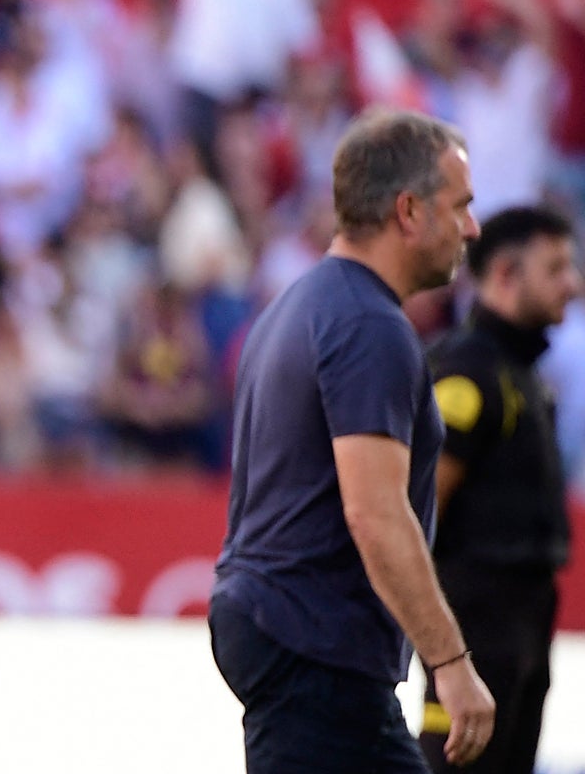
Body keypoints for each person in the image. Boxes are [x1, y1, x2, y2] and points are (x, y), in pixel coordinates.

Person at [208, 107, 496, 773]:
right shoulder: (369, 325)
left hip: (282, 627)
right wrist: (450, 662)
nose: (471, 228)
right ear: (408, 211)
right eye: (460, 206)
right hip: (314, 640)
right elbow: (374, 512)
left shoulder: (297, 304)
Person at [419, 205, 582, 773]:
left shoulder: (522, 373)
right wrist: (443, 651)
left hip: (522, 621)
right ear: (507, 275)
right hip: (474, 626)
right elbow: (420, 510)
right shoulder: (468, 371)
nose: (573, 283)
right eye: (557, 268)